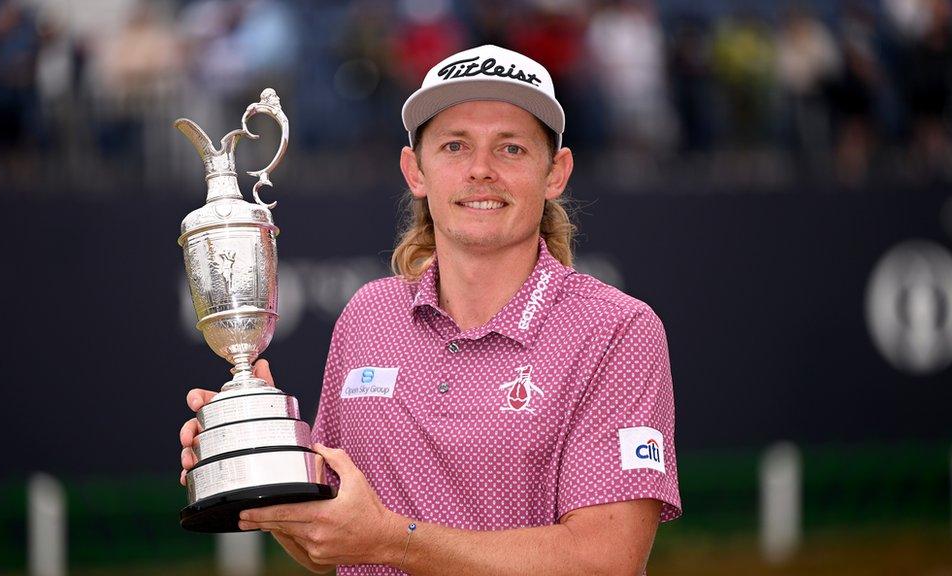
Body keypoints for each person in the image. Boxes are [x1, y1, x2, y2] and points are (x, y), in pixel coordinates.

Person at [179, 44, 681, 575]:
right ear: (414, 170)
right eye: (455, 146)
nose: (481, 170)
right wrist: (259, 459)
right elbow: (331, 543)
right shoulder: (369, 315)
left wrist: (393, 541)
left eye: (510, 148)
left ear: (555, 172)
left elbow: (605, 562)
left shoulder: (616, 329)